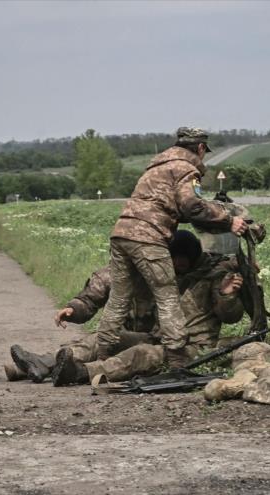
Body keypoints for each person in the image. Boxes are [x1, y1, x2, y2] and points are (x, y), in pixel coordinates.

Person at [5, 230, 246, 386]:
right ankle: (44, 363)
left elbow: (231, 316)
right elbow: (103, 284)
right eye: (171, 262)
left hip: (184, 346)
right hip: (152, 336)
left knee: (140, 355)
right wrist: (74, 308)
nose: (176, 268)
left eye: (181, 264)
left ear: (193, 259)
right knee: (105, 337)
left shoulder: (214, 275)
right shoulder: (151, 269)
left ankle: (79, 372)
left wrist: (227, 296)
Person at [98, 127, 247, 369]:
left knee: (119, 297)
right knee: (167, 295)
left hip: (121, 233)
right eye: (204, 152)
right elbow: (192, 207)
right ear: (200, 148)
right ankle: (177, 359)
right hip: (148, 237)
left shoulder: (156, 166)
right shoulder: (187, 169)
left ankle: (103, 352)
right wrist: (230, 221)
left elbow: (173, 207)